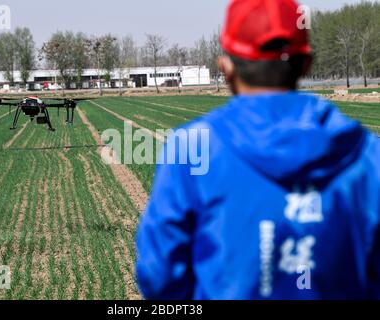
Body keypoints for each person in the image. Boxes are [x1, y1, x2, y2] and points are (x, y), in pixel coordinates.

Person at [136, 0, 380, 300]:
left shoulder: (191, 149)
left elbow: (159, 277)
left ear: (225, 67)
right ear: (307, 64)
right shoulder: (368, 155)